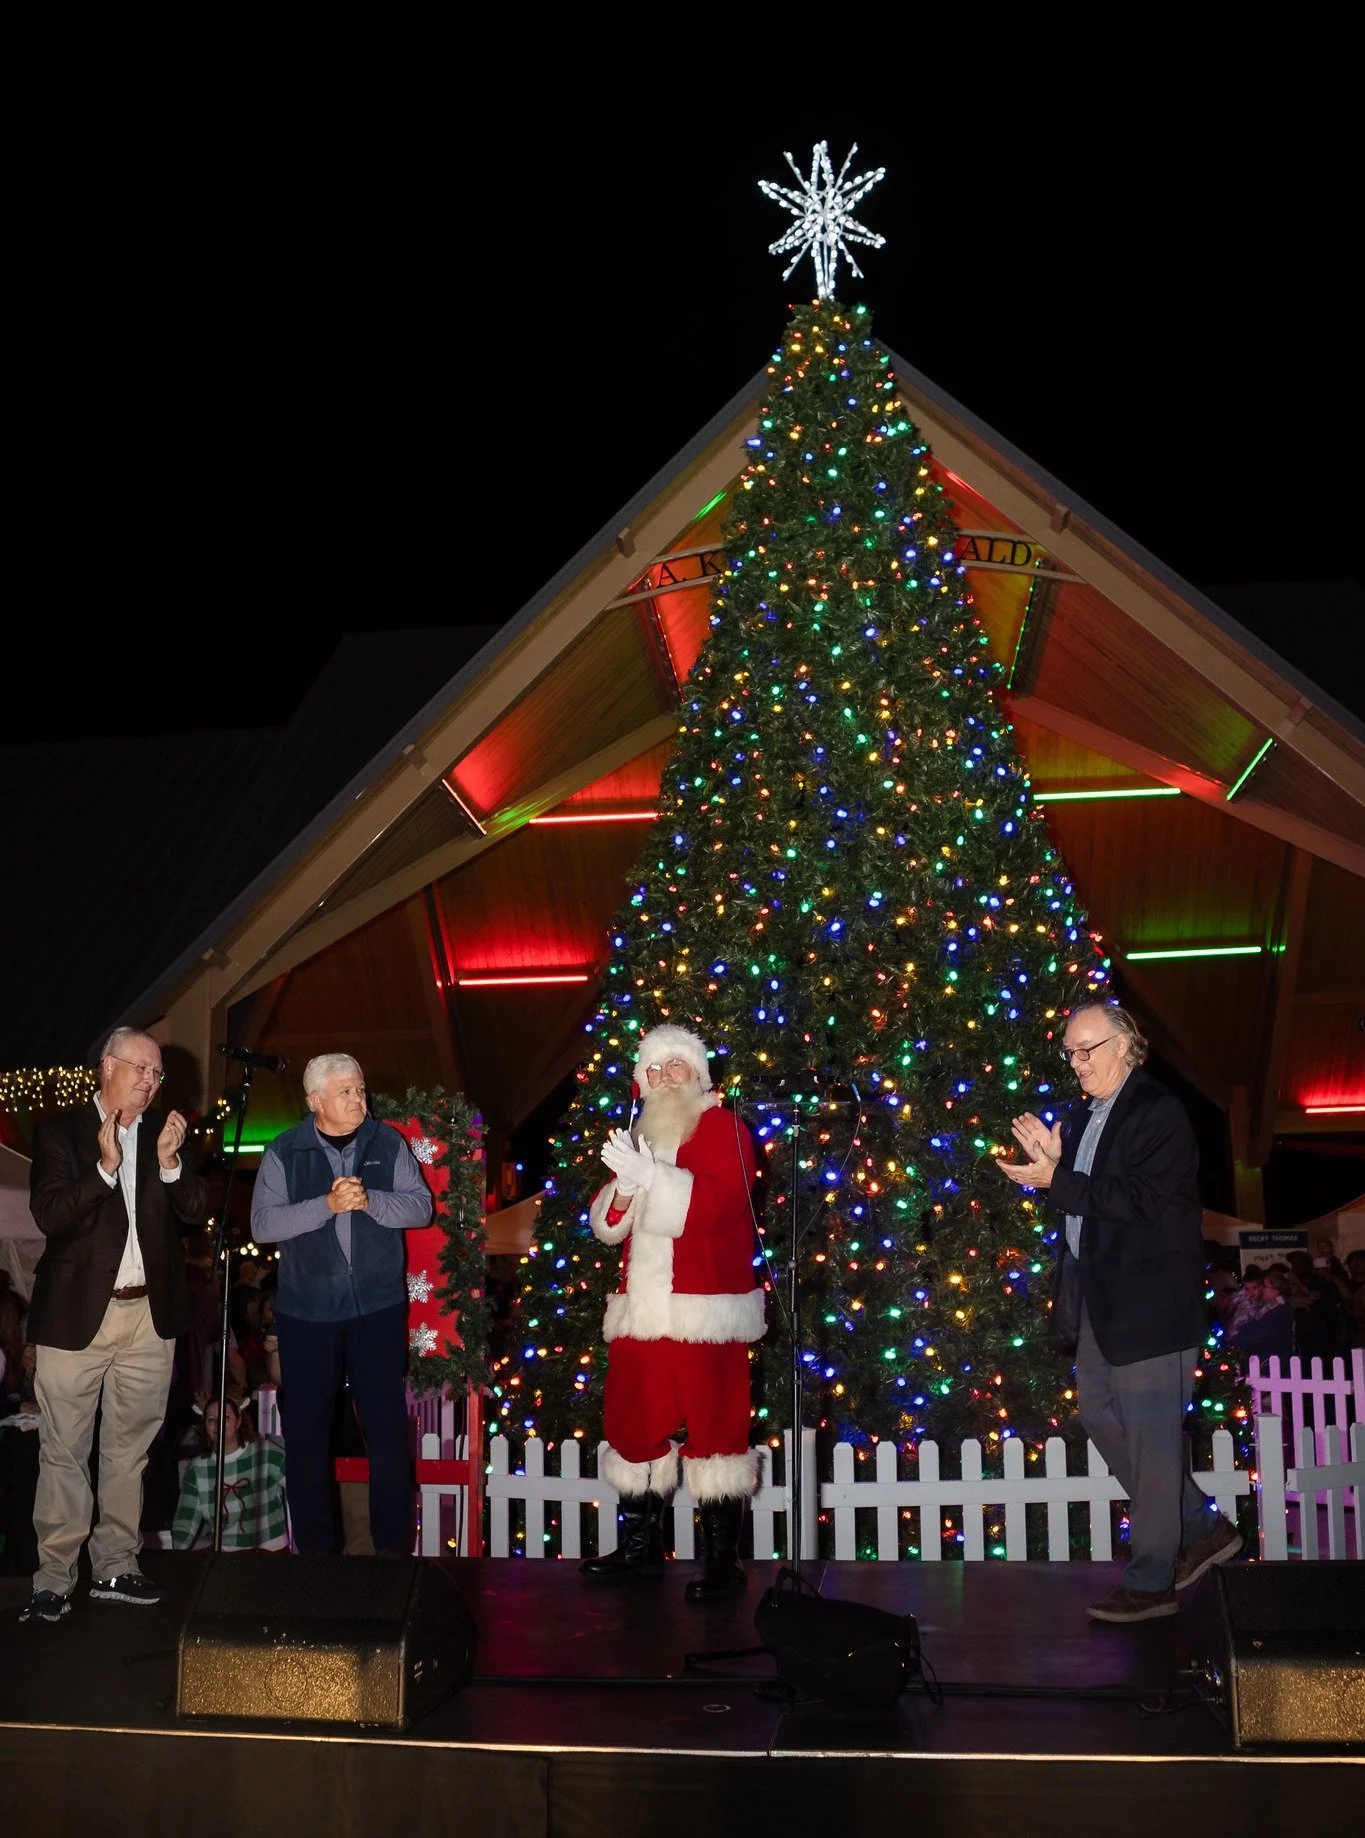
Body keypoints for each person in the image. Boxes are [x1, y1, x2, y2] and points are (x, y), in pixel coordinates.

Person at [999, 1001, 1241, 1624]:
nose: (1077, 1062)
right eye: (1069, 1051)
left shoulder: (1157, 1111)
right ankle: (1200, 1526)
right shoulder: (1086, 1116)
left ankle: (1152, 1580)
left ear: (1127, 1043)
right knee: (1099, 1416)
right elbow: (1087, 1200)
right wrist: (1054, 1168)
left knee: (1152, 1440)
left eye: (1088, 1048)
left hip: (1151, 1304)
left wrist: (1056, 1179)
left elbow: (1139, 1201)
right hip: (1101, 1299)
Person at [21, 1026, 210, 1623]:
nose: (150, 1081)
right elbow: (49, 1214)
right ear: (108, 1067)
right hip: (76, 1313)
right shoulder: (60, 1131)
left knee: (130, 1452)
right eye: (141, 1068)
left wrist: (172, 1164)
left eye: (157, 1073)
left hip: (149, 1317)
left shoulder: (164, 1134)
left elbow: (197, 1210)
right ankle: (54, 1579)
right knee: (64, 1451)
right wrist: (105, 1169)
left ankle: (115, 1565)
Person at [579, 1024, 765, 1602]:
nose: (663, 1079)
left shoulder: (724, 1128)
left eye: (674, 1066)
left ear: (698, 1075)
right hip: (642, 1312)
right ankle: (640, 1549)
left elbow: (719, 1205)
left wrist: (652, 1179)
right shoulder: (641, 1137)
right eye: (652, 1070)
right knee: (631, 1421)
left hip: (705, 1310)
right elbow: (610, 1227)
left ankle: (723, 1561)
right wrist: (625, 1189)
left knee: (717, 1427)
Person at [249, 1052, 431, 1556]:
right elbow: (263, 1224)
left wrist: (371, 1200)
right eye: (346, 1091)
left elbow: (420, 1207)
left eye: (360, 1089)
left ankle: (393, 1557)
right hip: (306, 1315)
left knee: (387, 1435)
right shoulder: (285, 1150)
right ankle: (315, 1560)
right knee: (306, 1439)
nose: (358, 1099)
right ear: (316, 1100)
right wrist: (326, 1206)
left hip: (378, 1311)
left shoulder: (387, 1142)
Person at [171, 1395, 287, 1551]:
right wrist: (176, 1558)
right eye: (211, 1420)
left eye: (225, 1418)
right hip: (225, 1555)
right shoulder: (198, 1468)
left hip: (270, 1553)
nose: (218, 1425)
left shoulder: (266, 1453)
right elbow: (185, 1521)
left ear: (238, 1421)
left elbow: (303, 1491)